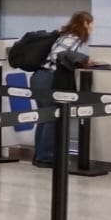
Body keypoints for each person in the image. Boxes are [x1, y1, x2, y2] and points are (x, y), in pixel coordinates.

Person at [31, 11, 94, 167]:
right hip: (48, 78)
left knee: (44, 117)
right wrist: (83, 60)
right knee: (51, 117)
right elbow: (57, 55)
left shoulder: (64, 35)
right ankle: (46, 157)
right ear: (85, 23)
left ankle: (39, 156)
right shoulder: (74, 38)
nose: (92, 28)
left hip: (39, 77)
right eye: (91, 24)